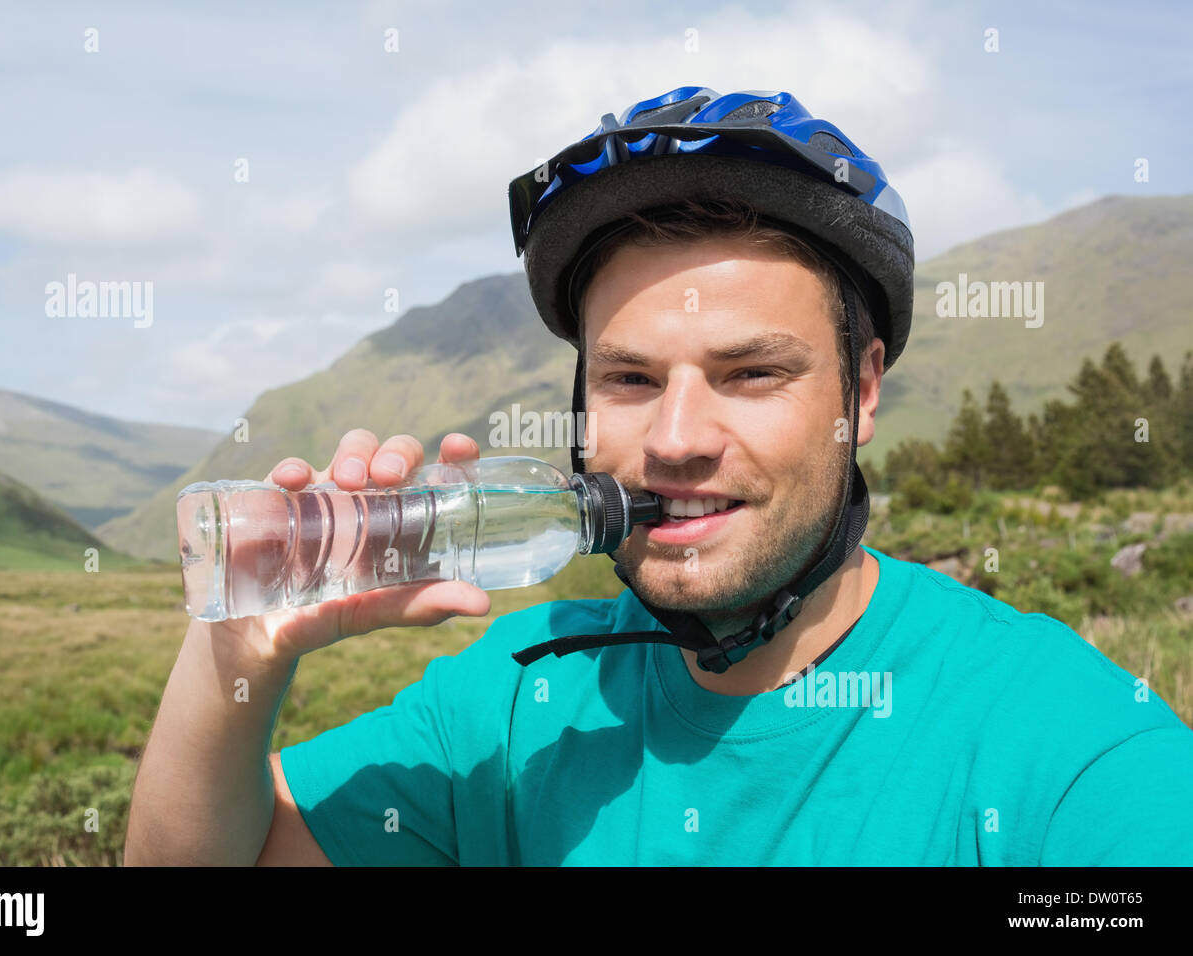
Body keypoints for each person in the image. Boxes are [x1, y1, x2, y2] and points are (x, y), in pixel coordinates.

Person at [125, 87, 1193, 866]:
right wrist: (240, 650)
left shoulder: (1078, 751)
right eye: (630, 377)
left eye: (752, 372)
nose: (675, 437)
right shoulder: (512, 693)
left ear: (860, 392)